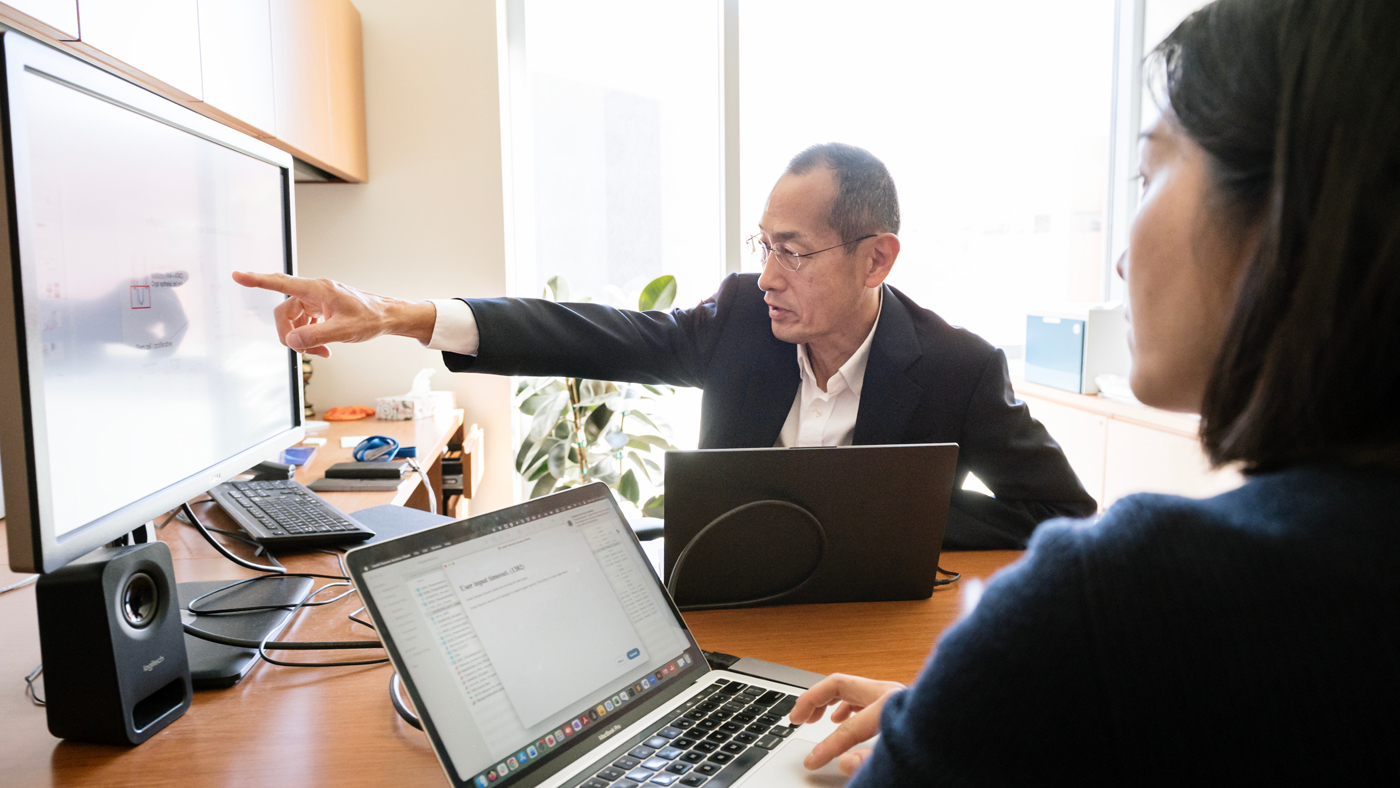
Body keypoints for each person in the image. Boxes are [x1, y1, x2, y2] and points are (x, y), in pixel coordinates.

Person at [786, 0, 1400, 782]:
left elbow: (1062, 515)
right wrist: (970, 707)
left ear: (1289, 209)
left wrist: (994, 691)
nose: (1118, 257)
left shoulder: (1113, 605)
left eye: (1148, 174)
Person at [235, 144, 1096, 549]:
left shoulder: (957, 369)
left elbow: (1061, 520)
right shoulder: (738, 324)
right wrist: (395, 313)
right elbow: (594, 334)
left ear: (878, 259)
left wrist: (906, 525)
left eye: (793, 251)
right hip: (730, 622)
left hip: (874, 649)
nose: (767, 274)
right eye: (763, 245)